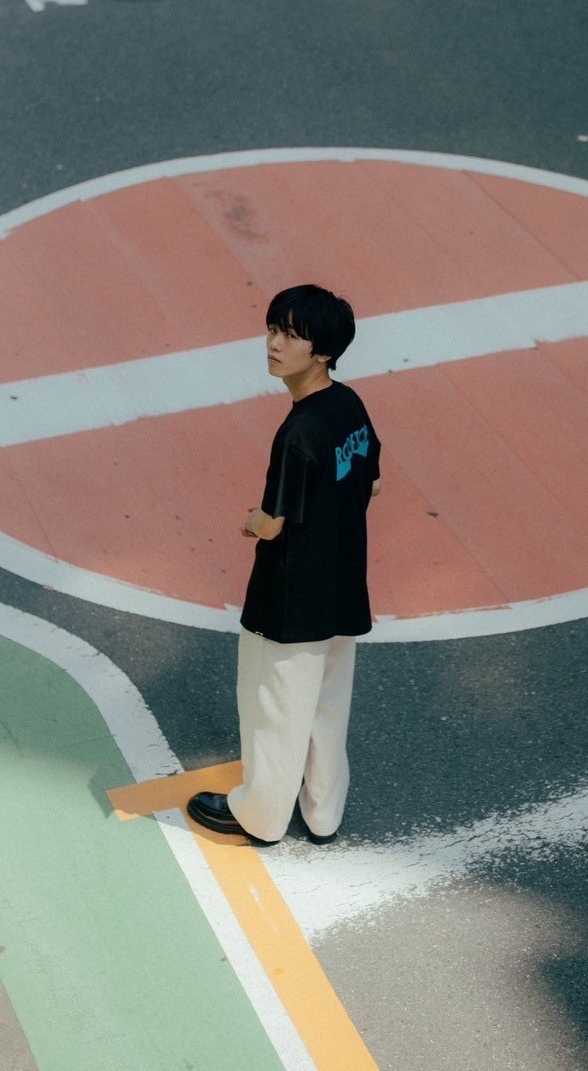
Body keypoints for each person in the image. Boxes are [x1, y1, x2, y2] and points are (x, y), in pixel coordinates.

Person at [187, 283, 381, 846]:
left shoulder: (298, 433)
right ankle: (323, 813)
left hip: (290, 597)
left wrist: (252, 520)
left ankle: (261, 817)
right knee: (327, 708)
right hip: (343, 587)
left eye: (291, 336)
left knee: (274, 711)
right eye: (274, 329)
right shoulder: (349, 406)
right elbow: (371, 481)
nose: (274, 344)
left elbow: (273, 522)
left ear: (322, 352)